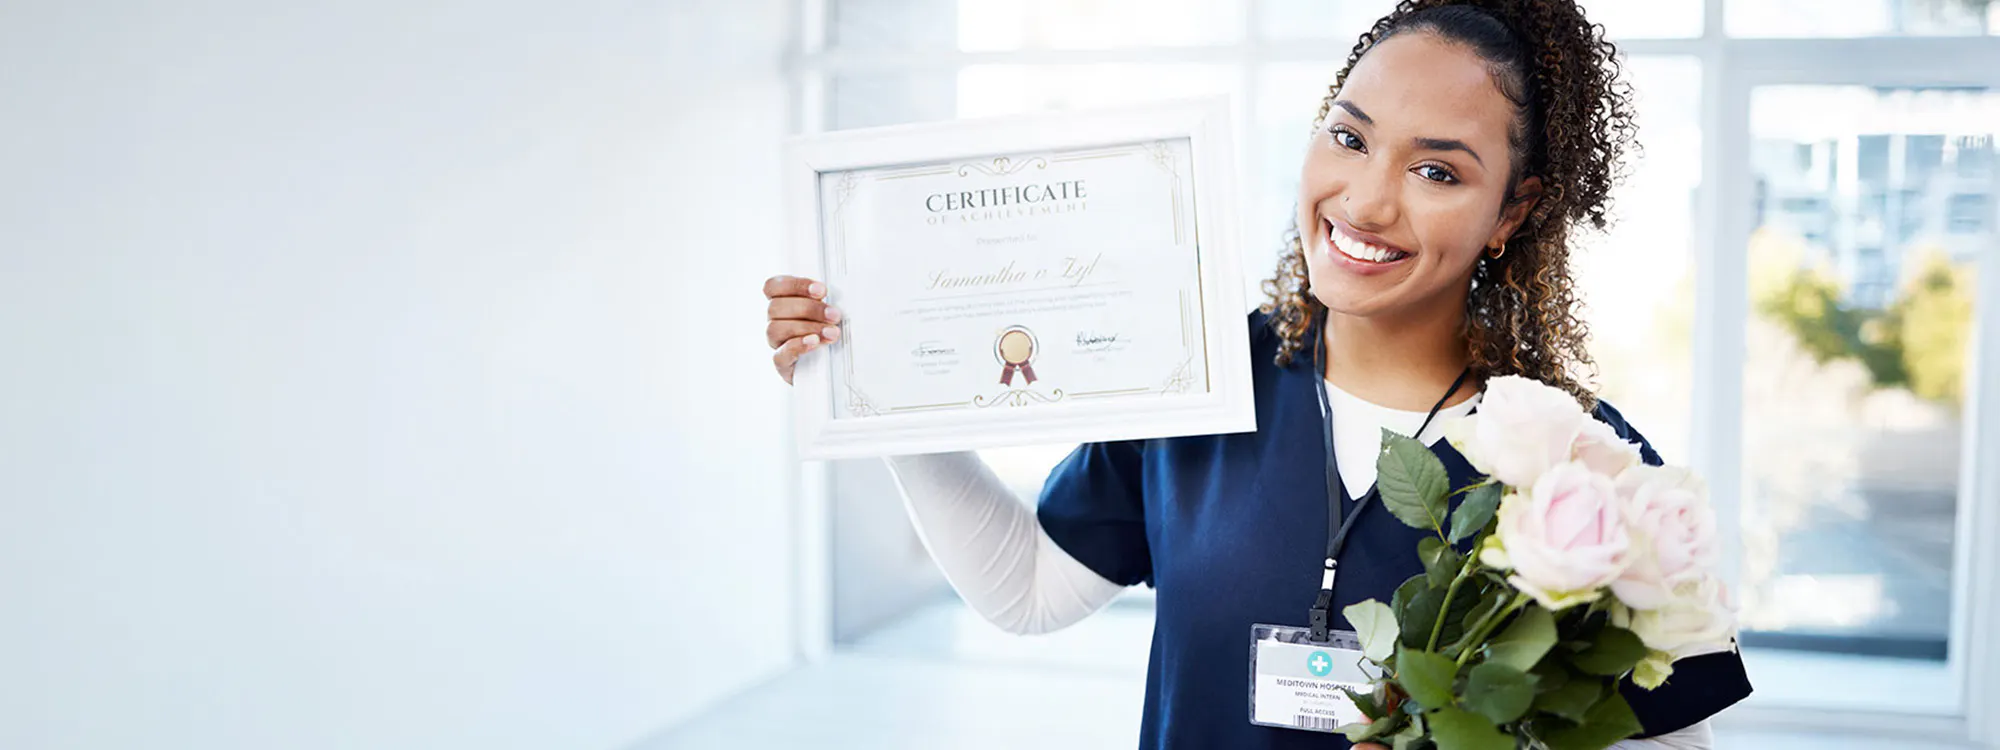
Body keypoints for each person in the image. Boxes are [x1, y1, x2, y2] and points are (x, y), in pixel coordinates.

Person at [759, 0, 1752, 747]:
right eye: (1349, 136)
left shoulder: (1582, 473)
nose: (1362, 202)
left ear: (1510, 211)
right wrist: (879, 384)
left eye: (1435, 170)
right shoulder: (1194, 370)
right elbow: (1025, 590)